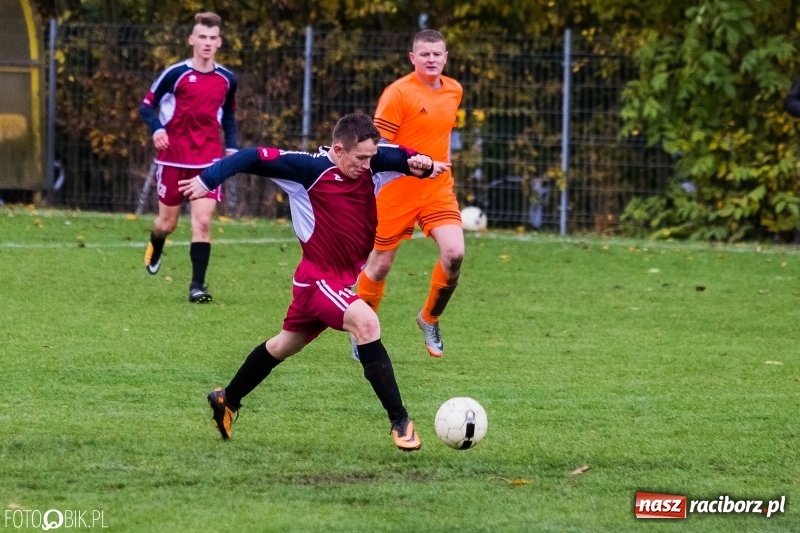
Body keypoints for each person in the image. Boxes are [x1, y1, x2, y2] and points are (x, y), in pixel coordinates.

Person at [178, 113, 449, 451]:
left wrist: (423, 164)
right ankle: (400, 421)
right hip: (318, 280)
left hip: (335, 282)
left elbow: (405, 157)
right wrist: (208, 179)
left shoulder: (372, 161)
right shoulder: (307, 170)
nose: (368, 164)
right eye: (361, 158)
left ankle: (227, 399)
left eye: (371, 156)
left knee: (283, 346)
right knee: (366, 323)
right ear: (339, 149)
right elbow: (250, 156)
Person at [354, 29, 464, 360]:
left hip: (437, 188)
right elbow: (377, 147)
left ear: (446, 57)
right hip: (396, 190)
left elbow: (443, 133)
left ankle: (429, 318)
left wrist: (442, 164)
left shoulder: (454, 90)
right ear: (413, 58)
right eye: (424, 54)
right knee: (379, 266)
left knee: (455, 254)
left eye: (437, 54)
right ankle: (362, 332)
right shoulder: (398, 93)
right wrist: (410, 161)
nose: (431, 59)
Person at [138, 12, 238, 303]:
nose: (207, 43)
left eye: (212, 38)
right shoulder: (175, 74)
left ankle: (197, 286)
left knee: (203, 221)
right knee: (166, 224)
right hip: (173, 160)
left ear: (219, 42)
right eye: (202, 37)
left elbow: (229, 116)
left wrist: (231, 149)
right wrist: (157, 128)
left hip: (208, 161)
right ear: (191, 40)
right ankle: (157, 241)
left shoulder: (227, 79)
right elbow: (146, 107)